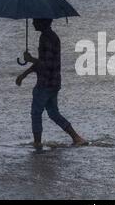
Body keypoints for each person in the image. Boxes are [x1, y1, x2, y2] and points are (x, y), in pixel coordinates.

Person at [15, 18, 87, 151]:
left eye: (35, 21)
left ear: (43, 22)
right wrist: (25, 73)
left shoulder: (46, 38)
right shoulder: (51, 37)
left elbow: (45, 64)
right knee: (53, 113)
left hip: (45, 83)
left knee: (36, 113)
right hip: (54, 82)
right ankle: (77, 138)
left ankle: (37, 143)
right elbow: (44, 62)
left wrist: (29, 61)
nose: (33, 23)